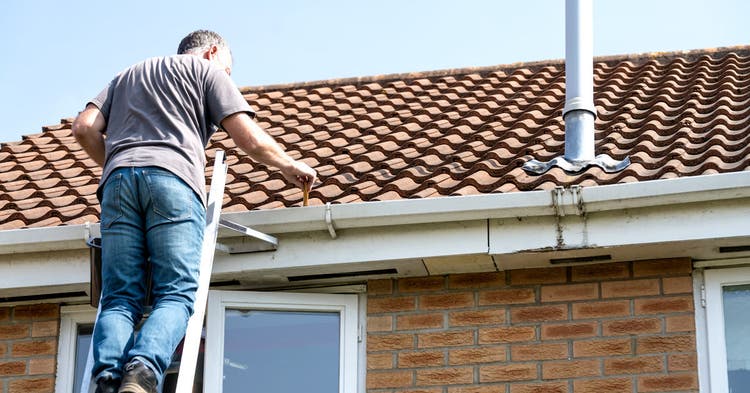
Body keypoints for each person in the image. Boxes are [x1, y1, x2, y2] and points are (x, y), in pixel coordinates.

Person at [72, 30, 316, 393]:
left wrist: (119, 164)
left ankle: (107, 378)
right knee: (177, 292)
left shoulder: (126, 75)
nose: (228, 77)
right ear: (212, 52)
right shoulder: (207, 73)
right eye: (229, 70)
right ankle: (141, 373)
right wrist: (288, 165)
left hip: (118, 184)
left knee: (120, 295)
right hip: (173, 180)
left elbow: (84, 128)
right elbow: (247, 137)